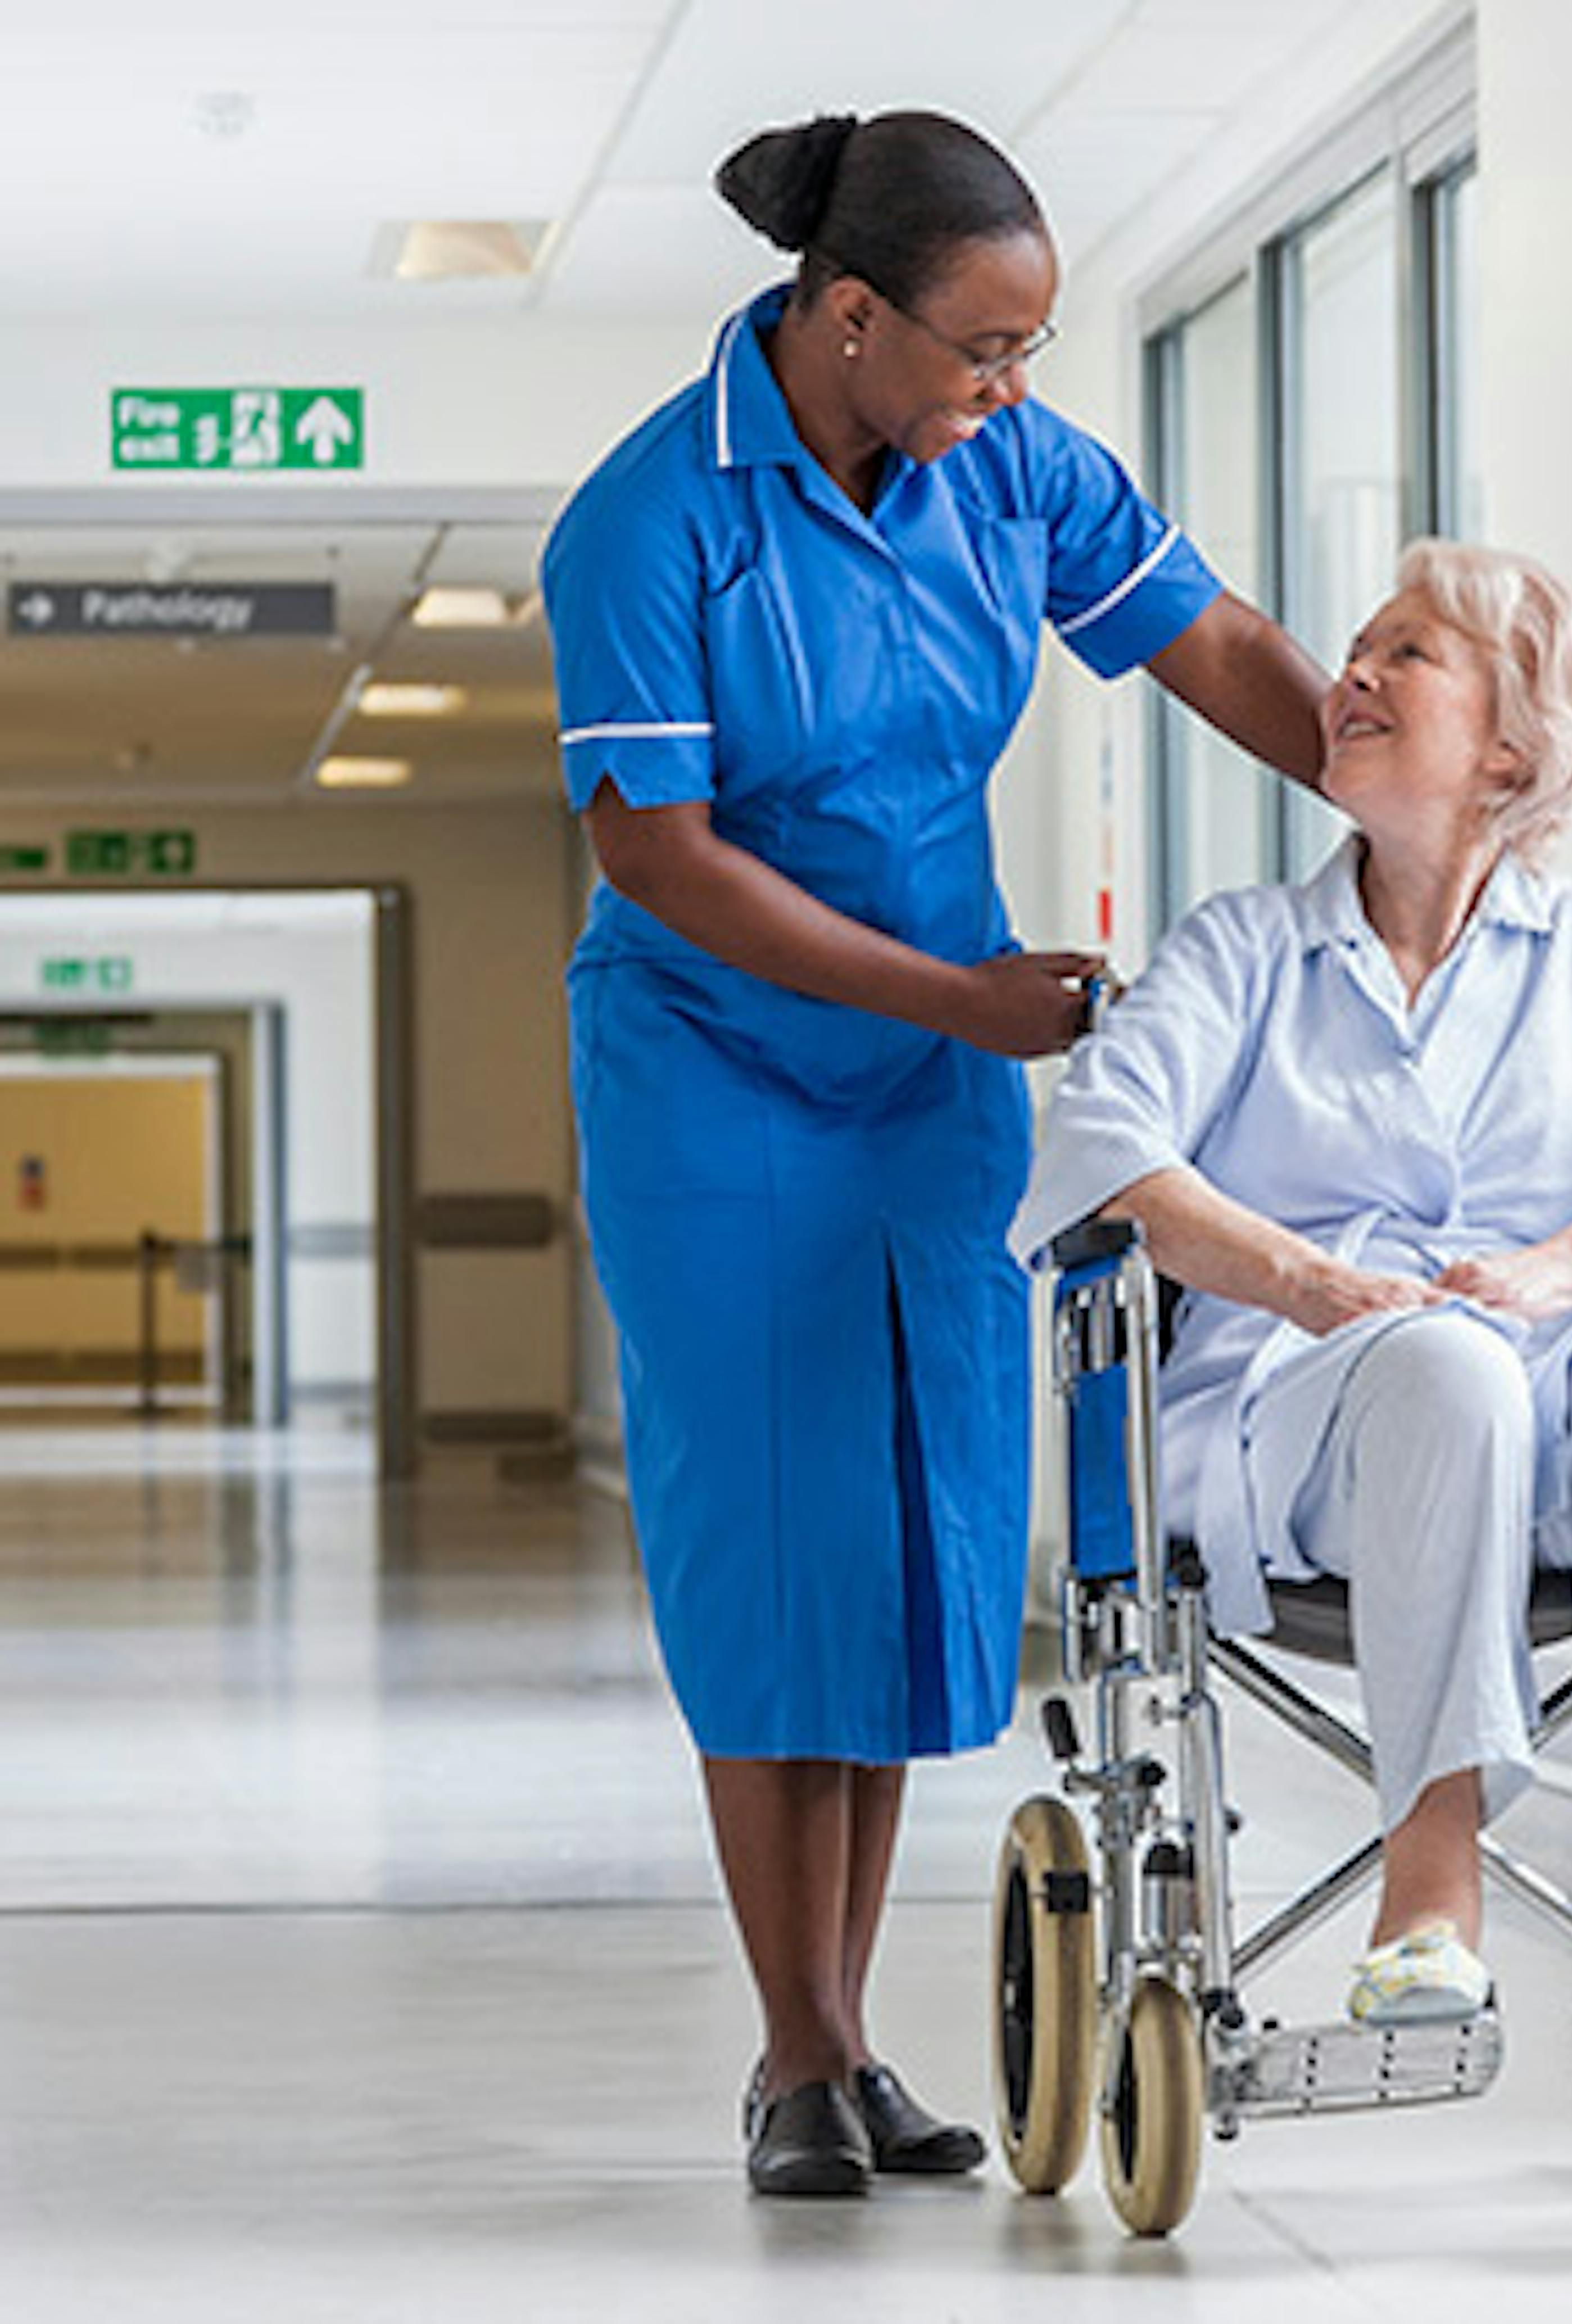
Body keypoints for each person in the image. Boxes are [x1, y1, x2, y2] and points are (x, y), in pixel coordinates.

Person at [541, 110, 1329, 2198]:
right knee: (765, 1539)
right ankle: (798, 2051)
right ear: (850, 313)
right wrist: (956, 996)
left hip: (926, 1082)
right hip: (713, 1069)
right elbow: (657, 853)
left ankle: (850, 2043)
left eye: (1036, 349)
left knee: (901, 1542)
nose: (1015, 388)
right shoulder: (654, 517)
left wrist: (1414, 774)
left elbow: (1213, 644)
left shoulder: (1009, 470)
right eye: (986, 347)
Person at [1011, 538, 1572, 2033]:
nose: (1350, 675)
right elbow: (1103, 1148)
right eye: (1358, 648)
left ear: (1510, 750)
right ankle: (1429, 1894)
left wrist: (1566, 1268)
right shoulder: (1244, 951)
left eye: (1408, 655)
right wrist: (1306, 1282)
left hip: (1565, 1402)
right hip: (1298, 1427)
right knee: (1446, 1366)